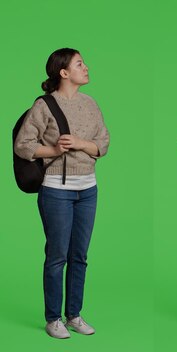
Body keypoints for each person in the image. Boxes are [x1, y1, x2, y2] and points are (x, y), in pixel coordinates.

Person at [14, 48, 110, 339]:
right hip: (57, 190)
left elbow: (103, 144)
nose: (86, 67)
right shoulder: (44, 106)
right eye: (80, 64)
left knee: (79, 256)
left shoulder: (91, 104)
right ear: (63, 72)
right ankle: (53, 318)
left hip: (88, 189)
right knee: (57, 256)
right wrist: (54, 150)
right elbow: (23, 145)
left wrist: (81, 143)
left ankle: (75, 315)